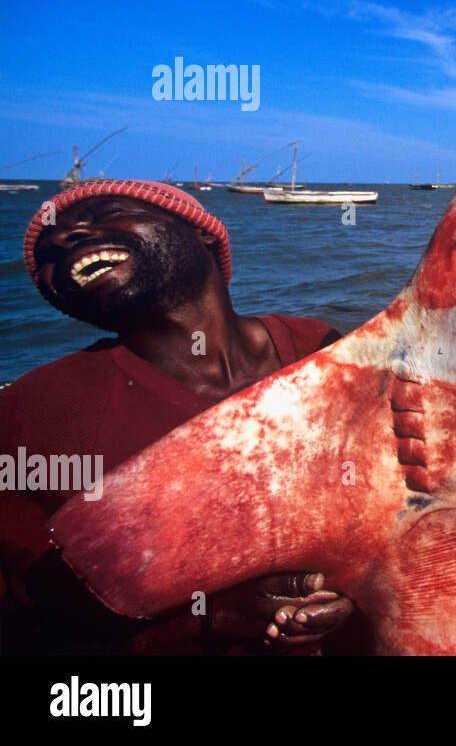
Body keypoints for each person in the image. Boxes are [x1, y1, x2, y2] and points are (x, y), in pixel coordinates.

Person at [0, 180, 352, 654]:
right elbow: (28, 609)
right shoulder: (35, 412)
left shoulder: (323, 348)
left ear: (203, 233)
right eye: (46, 252)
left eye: (106, 213)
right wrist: (210, 618)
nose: (64, 240)